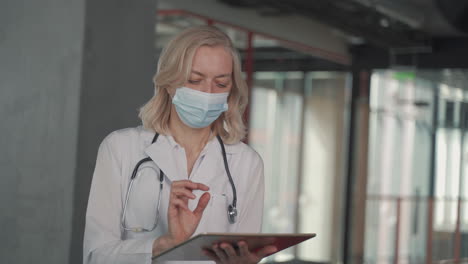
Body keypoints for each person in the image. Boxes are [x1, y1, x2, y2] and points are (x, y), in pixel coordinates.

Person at [83, 25, 277, 264]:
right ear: (168, 82)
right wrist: (164, 244)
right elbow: (95, 256)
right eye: (195, 80)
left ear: (232, 90)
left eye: (221, 83)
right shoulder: (120, 148)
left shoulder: (247, 163)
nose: (207, 93)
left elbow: (245, 252)